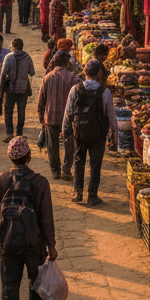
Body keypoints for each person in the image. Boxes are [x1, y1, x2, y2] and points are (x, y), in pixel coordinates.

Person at [0, 137, 58, 300]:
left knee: (9, 290)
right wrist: (51, 245)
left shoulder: (0, 179)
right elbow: (46, 218)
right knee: (36, 283)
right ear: (28, 156)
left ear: (10, 157)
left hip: (7, 244)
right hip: (33, 244)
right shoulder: (40, 182)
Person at [62, 58, 119, 206]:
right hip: (98, 135)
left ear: (84, 72)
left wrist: (65, 131)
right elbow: (111, 116)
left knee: (78, 162)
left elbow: (68, 113)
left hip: (79, 133)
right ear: (99, 73)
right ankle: (92, 196)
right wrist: (115, 135)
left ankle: (78, 192)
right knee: (95, 165)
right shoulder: (105, 92)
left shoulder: (75, 89)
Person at [37, 49, 78, 181]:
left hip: (50, 117)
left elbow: (41, 100)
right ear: (67, 63)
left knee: (52, 145)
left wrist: (41, 118)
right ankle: (66, 169)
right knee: (69, 145)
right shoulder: (72, 78)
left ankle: (55, 171)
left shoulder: (47, 78)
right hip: (68, 117)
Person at [0, 37, 35, 140]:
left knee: (8, 111)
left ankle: (9, 133)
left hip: (10, 89)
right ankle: (19, 133)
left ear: (13, 46)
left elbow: (3, 74)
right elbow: (32, 72)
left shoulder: (8, 57)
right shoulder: (27, 57)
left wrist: (0, 90)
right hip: (23, 89)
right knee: (21, 111)